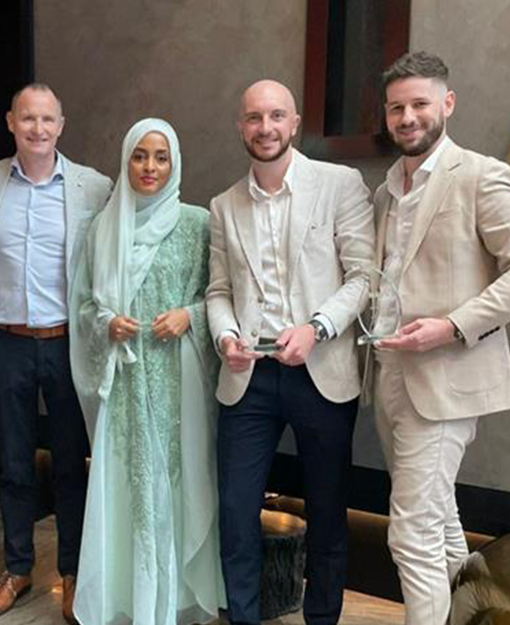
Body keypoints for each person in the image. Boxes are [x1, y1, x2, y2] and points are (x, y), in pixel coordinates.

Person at [370, 51, 510, 625]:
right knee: (440, 520)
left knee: (411, 534)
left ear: (446, 104)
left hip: (448, 380)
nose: (408, 117)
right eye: (397, 107)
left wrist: (452, 326)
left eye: (420, 103)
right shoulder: (385, 192)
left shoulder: (481, 174)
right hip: (392, 382)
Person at [206, 79, 374, 625]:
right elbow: (219, 292)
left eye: (276, 116)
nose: (265, 127)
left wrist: (317, 328)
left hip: (320, 371)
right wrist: (225, 336)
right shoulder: (223, 205)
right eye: (254, 117)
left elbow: (363, 276)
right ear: (241, 127)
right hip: (248, 376)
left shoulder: (339, 184)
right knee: (235, 513)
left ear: (294, 122)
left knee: (327, 512)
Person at [0, 83, 112, 623]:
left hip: (70, 342)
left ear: (62, 124)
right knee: (13, 464)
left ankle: (72, 573)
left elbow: (119, 252)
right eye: (28, 119)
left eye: (48, 119)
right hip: (5, 341)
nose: (38, 129)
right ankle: (17, 568)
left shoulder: (93, 186)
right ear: (10, 122)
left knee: (72, 464)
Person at [70, 118, 226, 625]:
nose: (150, 167)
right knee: (129, 488)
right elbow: (86, 304)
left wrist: (190, 316)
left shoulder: (198, 223)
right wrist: (107, 323)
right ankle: (129, 599)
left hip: (180, 383)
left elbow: (219, 296)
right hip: (126, 384)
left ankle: (173, 600)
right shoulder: (104, 226)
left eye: (161, 156)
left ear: (175, 162)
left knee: (181, 485)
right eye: (140, 156)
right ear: (125, 161)